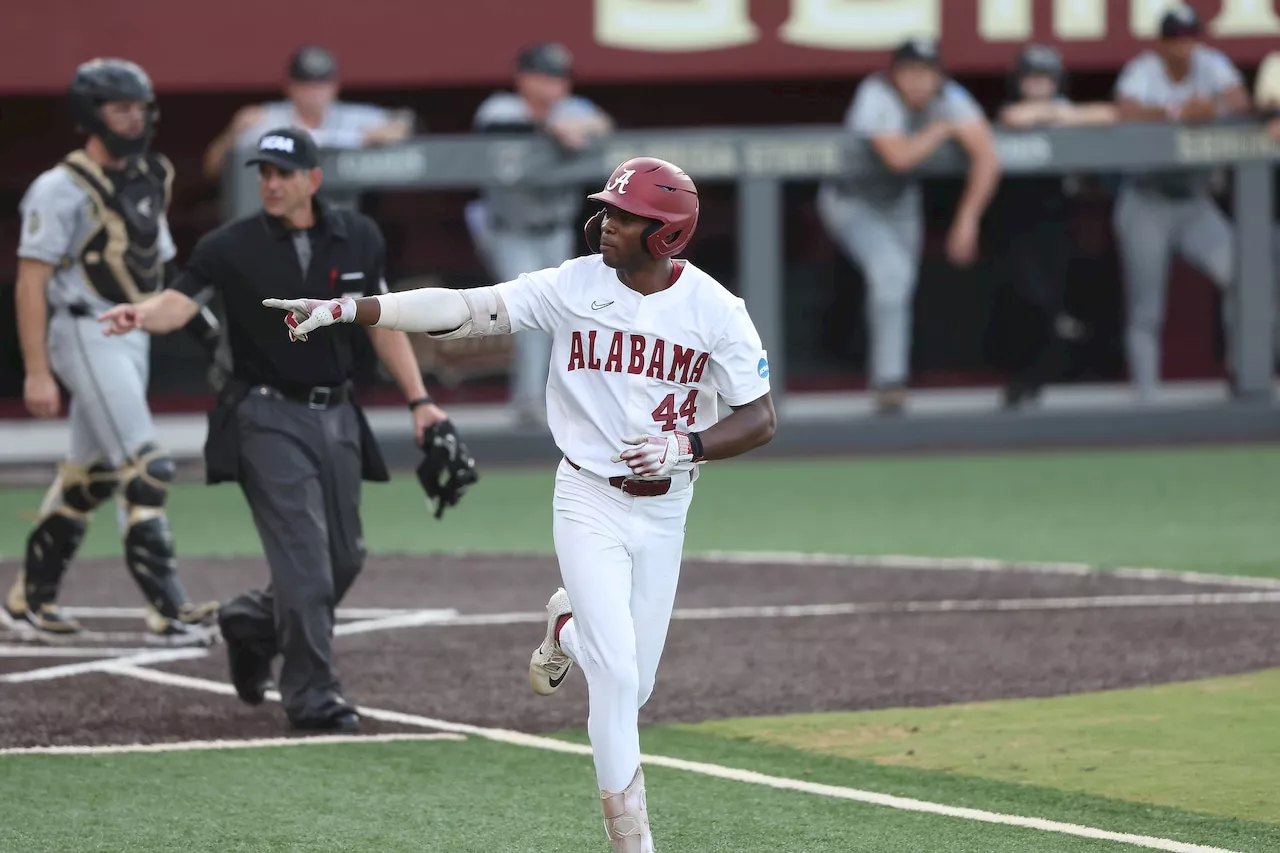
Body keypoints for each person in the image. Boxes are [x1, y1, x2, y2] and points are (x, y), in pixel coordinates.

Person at [261, 156, 777, 849]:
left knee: (636, 684)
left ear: (668, 236)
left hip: (665, 508)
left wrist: (686, 446)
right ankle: (634, 841)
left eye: (626, 216)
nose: (607, 223)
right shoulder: (574, 283)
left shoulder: (716, 310)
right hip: (587, 495)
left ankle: (564, 631)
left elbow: (760, 416)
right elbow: (469, 309)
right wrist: (354, 310)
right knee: (618, 679)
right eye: (610, 209)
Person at [99, 127, 460, 734]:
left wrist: (420, 401)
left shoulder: (359, 236)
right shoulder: (228, 245)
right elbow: (180, 303)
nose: (270, 182)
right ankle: (313, 695)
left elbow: (382, 322)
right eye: (263, 172)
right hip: (265, 416)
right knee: (306, 568)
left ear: (313, 180)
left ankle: (250, 621)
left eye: (282, 173)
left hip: (341, 412)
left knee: (345, 558)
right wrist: (142, 313)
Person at [3, 58, 219, 644]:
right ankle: (167, 611)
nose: (134, 119)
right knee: (147, 466)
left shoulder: (150, 174)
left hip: (135, 331)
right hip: (83, 331)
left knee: (91, 477)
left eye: (139, 108)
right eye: (120, 108)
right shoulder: (60, 187)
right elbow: (31, 281)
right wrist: (37, 372)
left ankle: (28, 601)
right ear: (89, 115)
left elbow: (162, 265)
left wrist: (208, 333)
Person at [817, 37, 1001, 415]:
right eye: (910, 72)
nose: (918, 81)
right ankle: (890, 383)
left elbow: (987, 156)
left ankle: (890, 380)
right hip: (852, 200)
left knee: (898, 287)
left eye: (927, 72)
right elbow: (898, 157)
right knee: (891, 276)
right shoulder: (876, 93)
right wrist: (940, 130)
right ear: (895, 75)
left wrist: (967, 219)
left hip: (901, 203)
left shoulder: (951, 97)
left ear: (939, 76)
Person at [466, 42, 614, 427]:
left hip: (555, 229)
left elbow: (602, 123)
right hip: (508, 229)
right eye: (545, 77)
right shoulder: (501, 107)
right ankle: (529, 402)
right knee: (531, 310)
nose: (554, 86)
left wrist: (569, 125)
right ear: (524, 78)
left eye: (559, 78)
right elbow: (496, 126)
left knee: (567, 312)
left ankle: (559, 399)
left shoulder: (573, 110)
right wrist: (551, 129)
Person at [1111, 4, 1251, 401]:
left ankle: (1243, 377)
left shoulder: (1211, 64)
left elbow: (1239, 101)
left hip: (1194, 203)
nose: (1184, 47)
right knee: (1146, 309)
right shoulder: (1143, 69)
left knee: (1242, 277)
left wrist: (1215, 108)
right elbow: (1125, 110)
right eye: (1176, 40)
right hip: (1146, 200)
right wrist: (1175, 111)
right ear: (1161, 43)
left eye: (1190, 38)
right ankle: (1147, 401)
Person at [995, 44, 1118, 409]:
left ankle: (1038, 378)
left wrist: (1064, 116)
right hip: (1017, 217)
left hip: (1056, 217)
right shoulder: (1014, 110)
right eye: (1031, 79)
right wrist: (1050, 114)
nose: (1038, 86)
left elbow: (1108, 115)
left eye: (1045, 80)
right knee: (1028, 297)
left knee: (1053, 295)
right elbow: (1013, 119)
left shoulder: (1065, 110)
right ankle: (1025, 376)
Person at [201, 45, 413, 183]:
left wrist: (389, 131)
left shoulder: (350, 117)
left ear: (334, 87)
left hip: (342, 209)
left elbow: (403, 123)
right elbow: (214, 168)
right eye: (305, 86)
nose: (313, 94)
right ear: (290, 87)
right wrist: (233, 132)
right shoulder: (265, 119)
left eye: (320, 86)